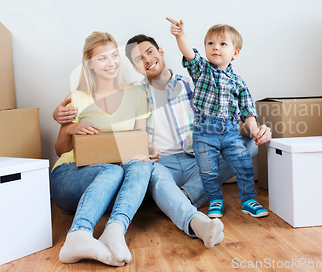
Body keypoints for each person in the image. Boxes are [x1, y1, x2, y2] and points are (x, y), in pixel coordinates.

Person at [54, 32, 271, 248]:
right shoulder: (134, 94)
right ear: (135, 67)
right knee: (145, 168)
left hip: (197, 158)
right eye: (139, 59)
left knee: (247, 146)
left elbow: (228, 123)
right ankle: (192, 217)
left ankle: (183, 196)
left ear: (161, 52)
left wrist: (254, 130)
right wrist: (65, 123)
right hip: (161, 165)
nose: (147, 59)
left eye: (150, 52)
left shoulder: (196, 84)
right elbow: (129, 140)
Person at [50, 31, 155, 267]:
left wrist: (148, 150)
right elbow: (60, 150)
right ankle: (79, 234)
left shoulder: (138, 95)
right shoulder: (76, 98)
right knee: (112, 171)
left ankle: (114, 231)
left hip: (111, 185)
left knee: (141, 164)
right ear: (89, 65)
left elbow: (139, 143)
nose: (112, 63)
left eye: (114, 55)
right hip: (70, 175)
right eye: (102, 58)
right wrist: (70, 129)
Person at [166, 17, 268, 219]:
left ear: (234, 53)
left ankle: (248, 199)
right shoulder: (202, 70)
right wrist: (181, 35)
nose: (215, 48)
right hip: (204, 132)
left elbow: (247, 110)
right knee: (208, 170)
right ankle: (215, 200)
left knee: (243, 164)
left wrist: (254, 130)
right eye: (210, 43)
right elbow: (188, 53)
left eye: (223, 44)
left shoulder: (238, 82)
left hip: (230, 131)